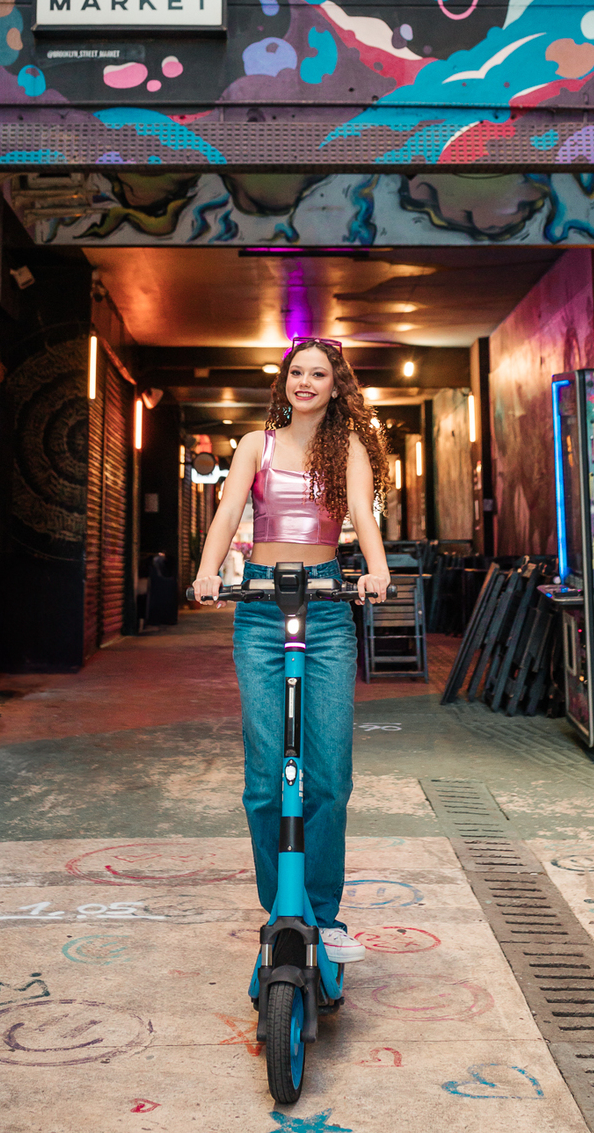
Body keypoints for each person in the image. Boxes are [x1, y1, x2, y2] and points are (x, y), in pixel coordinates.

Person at [193, 338, 391, 965]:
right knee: (265, 776)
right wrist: (205, 572)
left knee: (329, 774)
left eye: (319, 374)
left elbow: (362, 511)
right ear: (284, 384)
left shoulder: (350, 448)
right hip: (257, 607)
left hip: (328, 607)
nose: (306, 382)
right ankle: (281, 906)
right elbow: (227, 514)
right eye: (296, 373)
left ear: (337, 385)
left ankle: (323, 916)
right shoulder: (257, 444)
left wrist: (377, 570)